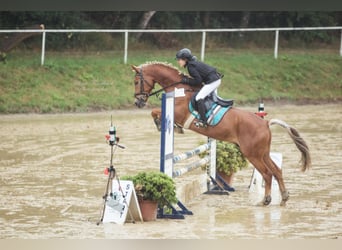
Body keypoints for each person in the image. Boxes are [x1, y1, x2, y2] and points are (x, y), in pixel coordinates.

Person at [176, 48, 222, 128]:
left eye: (179, 59)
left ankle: (203, 121)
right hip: (215, 79)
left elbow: (198, 81)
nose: (178, 61)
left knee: (199, 97)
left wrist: (186, 80)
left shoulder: (190, 67)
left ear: (185, 59)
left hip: (213, 81)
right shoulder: (192, 64)